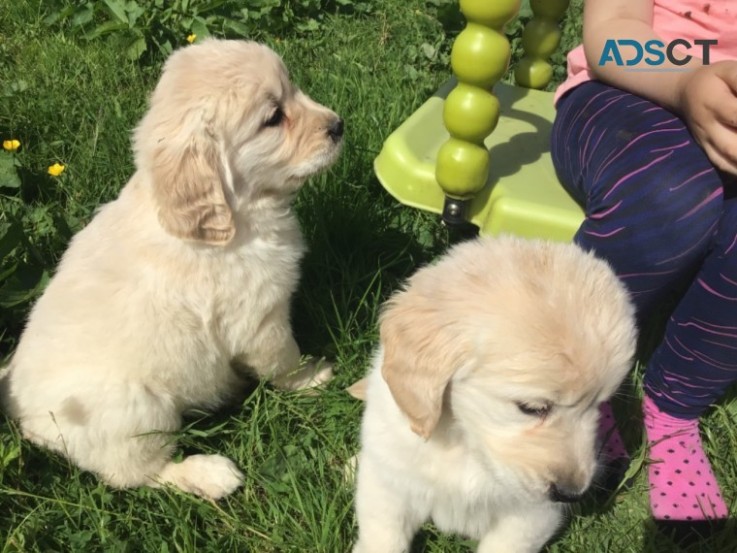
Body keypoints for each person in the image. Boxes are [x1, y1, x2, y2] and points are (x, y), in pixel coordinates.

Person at [550, 0, 737, 525]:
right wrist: (686, 85)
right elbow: (611, 35)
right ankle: (579, 376)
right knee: (671, 194)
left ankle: (674, 405)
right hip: (622, 93)